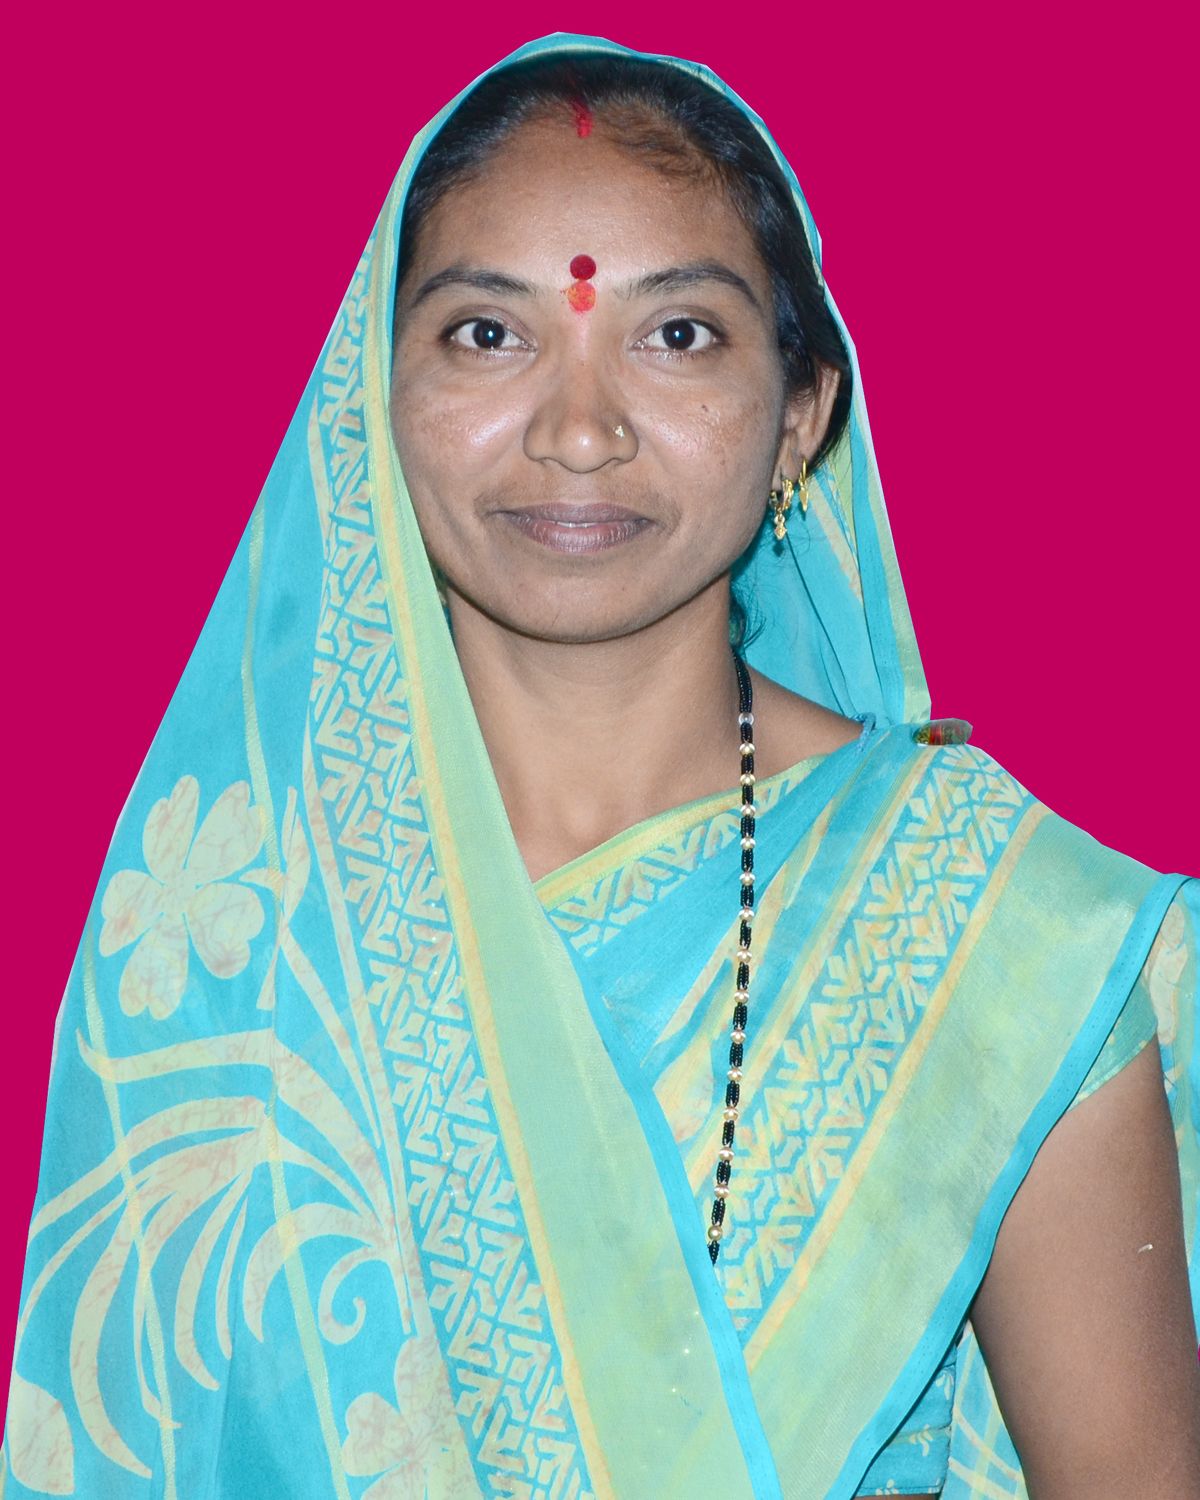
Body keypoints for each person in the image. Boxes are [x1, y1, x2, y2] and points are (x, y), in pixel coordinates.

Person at [4, 33, 1198, 1500]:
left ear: (801, 417)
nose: (580, 432)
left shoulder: (995, 931)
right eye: (486, 335)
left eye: (677, 335)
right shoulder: (228, 923)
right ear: (370, 401)